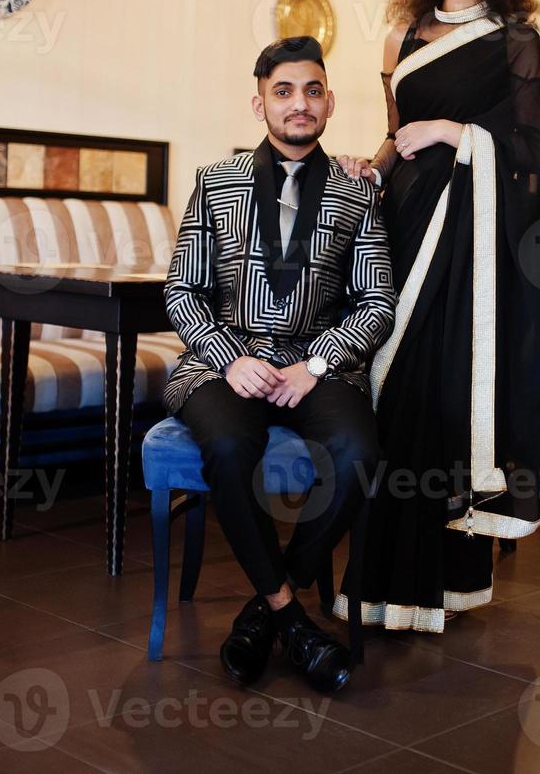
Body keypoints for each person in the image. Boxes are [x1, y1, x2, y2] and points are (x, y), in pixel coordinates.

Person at [336, 0, 540, 633]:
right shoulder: (398, 35)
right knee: (383, 385)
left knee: (430, 391)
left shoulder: (514, 42)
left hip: (469, 244)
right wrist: (369, 167)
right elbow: (393, 134)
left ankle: (437, 587)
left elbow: (534, 156)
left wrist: (456, 130)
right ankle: (374, 583)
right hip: (399, 224)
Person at [163, 36, 394, 692]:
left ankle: (264, 612)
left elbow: (377, 301)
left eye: (312, 90)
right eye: (283, 91)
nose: (299, 103)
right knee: (230, 445)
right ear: (259, 102)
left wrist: (317, 364)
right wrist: (227, 358)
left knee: (356, 452)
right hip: (224, 364)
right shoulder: (215, 182)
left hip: (314, 365)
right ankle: (292, 619)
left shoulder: (356, 190)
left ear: (328, 102)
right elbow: (183, 290)